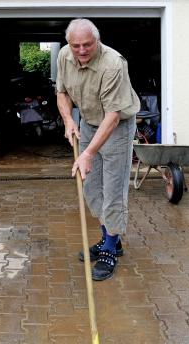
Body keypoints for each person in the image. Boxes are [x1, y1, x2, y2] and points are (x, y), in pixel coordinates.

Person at [56, 18, 140, 281]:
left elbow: (113, 116)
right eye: (76, 45)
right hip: (88, 123)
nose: (81, 50)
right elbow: (62, 92)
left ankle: (109, 250)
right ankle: (111, 239)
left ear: (98, 40)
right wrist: (68, 120)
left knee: (113, 191)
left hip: (117, 127)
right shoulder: (64, 55)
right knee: (92, 188)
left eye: (87, 44)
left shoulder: (113, 64)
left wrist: (88, 153)